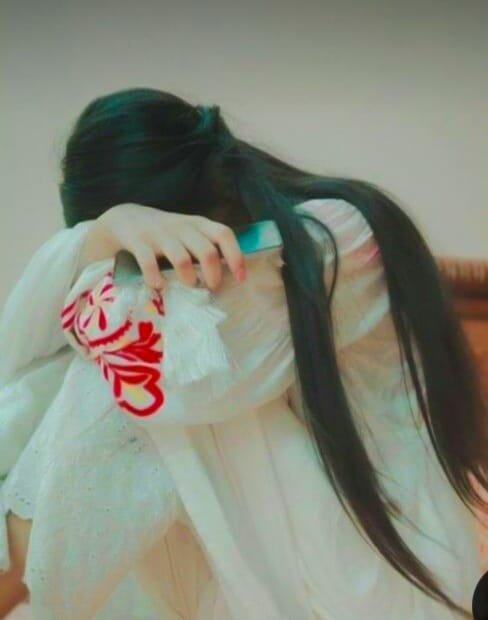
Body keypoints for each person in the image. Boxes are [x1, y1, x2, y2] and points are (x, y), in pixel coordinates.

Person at [0, 87, 486, 619]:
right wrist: (106, 232)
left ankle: (18, 578)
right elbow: (30, 354)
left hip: (378, 585)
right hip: (272, 570)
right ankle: (19, 577)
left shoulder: (337, 232)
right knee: (77, 374)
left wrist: (98, 244)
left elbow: (147, 361)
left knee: (116, 381)